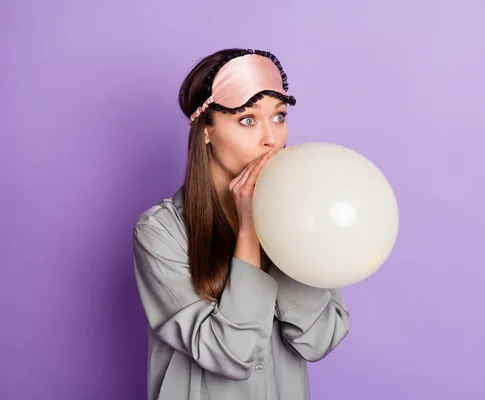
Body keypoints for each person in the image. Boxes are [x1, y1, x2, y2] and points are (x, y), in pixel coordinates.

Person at [132, 48, 350, 400]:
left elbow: (319, 339)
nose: (271, 138)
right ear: (206, 130)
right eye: (247, 119)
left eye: (278, 117)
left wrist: (283, 229)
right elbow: (231, 354)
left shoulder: (302, 218)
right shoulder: (160, 232)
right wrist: (249, 234)